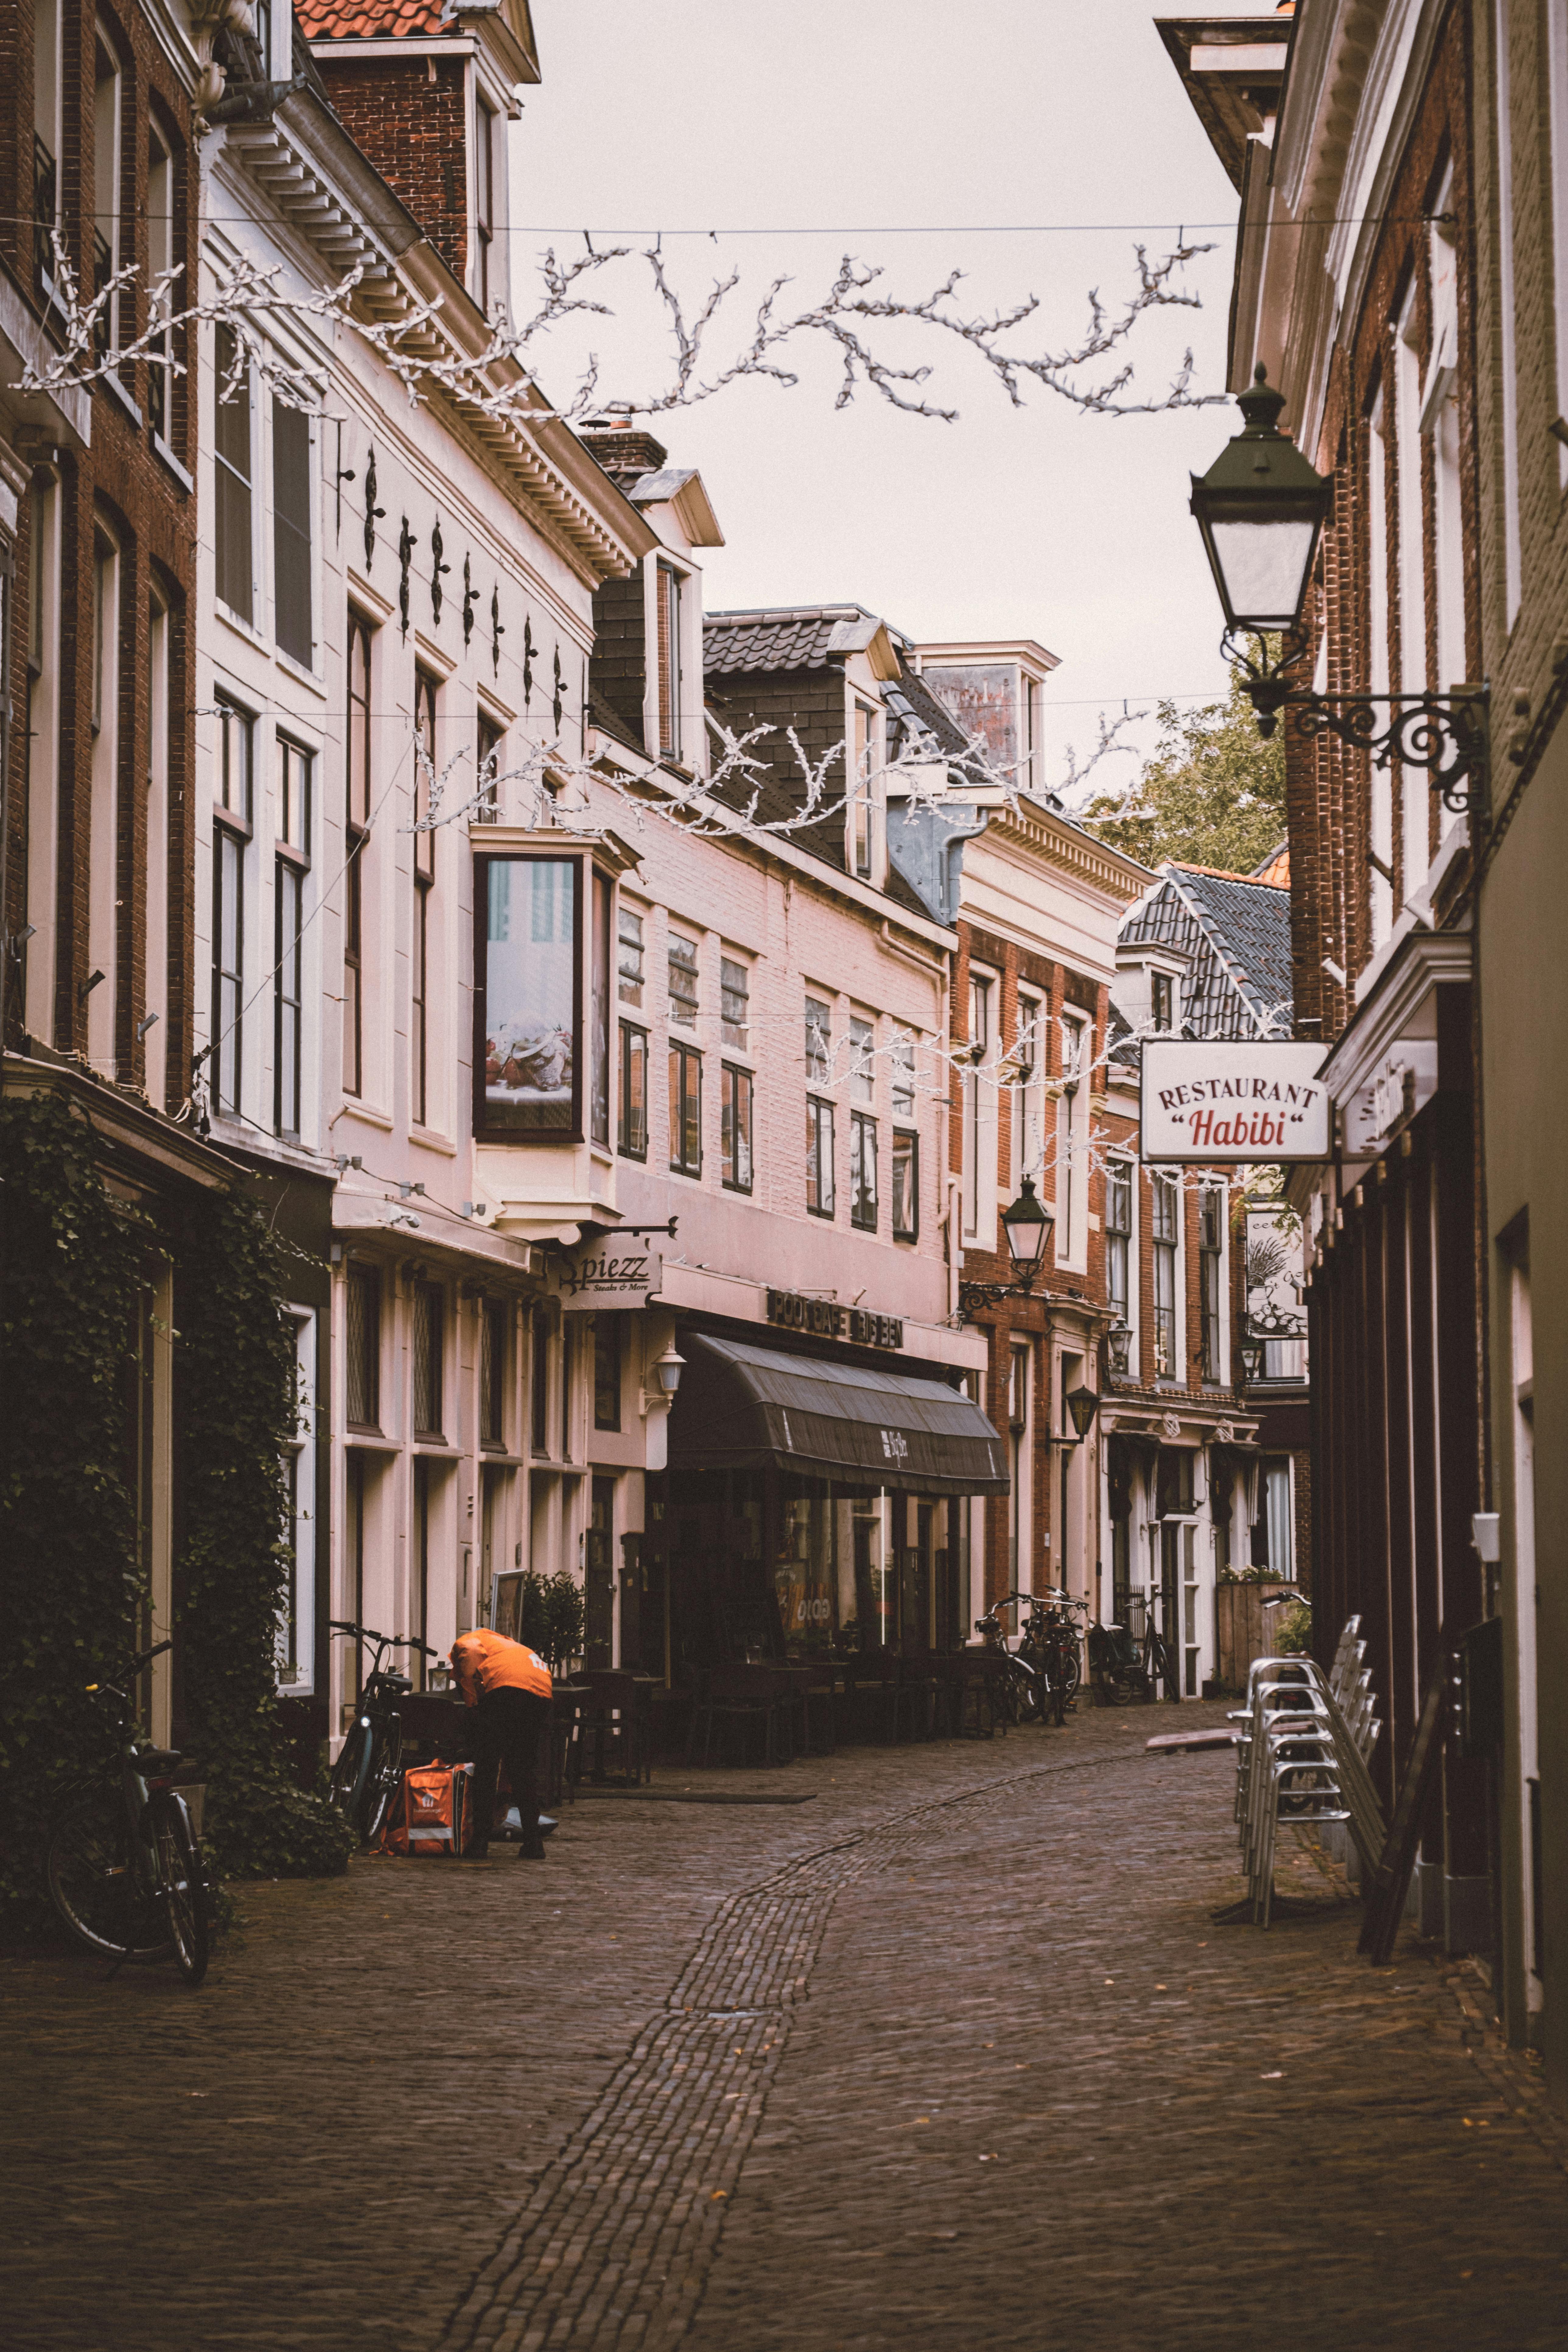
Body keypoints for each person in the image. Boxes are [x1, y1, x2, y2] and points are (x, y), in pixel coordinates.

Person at [451, 1628, 552, 1860]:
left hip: (506, 1690)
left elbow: (470, 1661)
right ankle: (534, 1842)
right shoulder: (507, 1646)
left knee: (487, 1765)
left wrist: (473, 1709)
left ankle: (480, 1843)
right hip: (541, 1689)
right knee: (523, 1768)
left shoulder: (469, 1642)